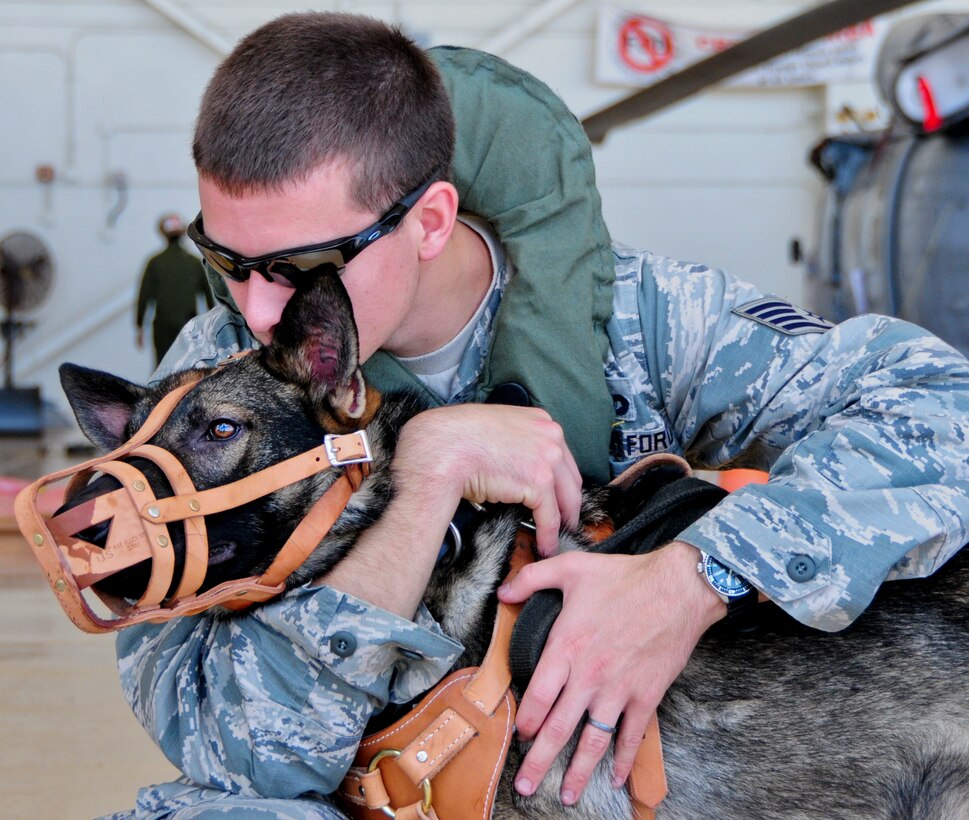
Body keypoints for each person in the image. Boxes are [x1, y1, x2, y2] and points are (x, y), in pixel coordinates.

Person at [105, 12, 969, 819]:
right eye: (226, 261)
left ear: (430, 220)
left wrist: (688, 582)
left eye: (299, 267)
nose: (256, 313)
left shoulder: (643, 316)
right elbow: (240, 759)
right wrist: (425, 481)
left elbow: (942, 410)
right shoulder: (214, 391)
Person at [134, 213, 214, 366]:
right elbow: (208, 295)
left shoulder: (155, 263)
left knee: (163, 367)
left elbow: (144, 296)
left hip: (162, 326)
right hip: (189, 325)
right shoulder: (194, 262)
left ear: (162, 233)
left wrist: (140, 327)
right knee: (190, 366)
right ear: (183, 232)